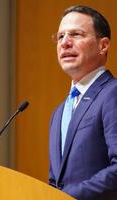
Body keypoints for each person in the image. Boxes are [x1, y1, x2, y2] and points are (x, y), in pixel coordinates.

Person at [49, 5, 117, 199]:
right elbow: (55, 181)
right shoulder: (59, 112)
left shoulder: (112, 93)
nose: (65, 43)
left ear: (103, 45)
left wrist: (66, 197)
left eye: (76, 34)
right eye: (61, 36)